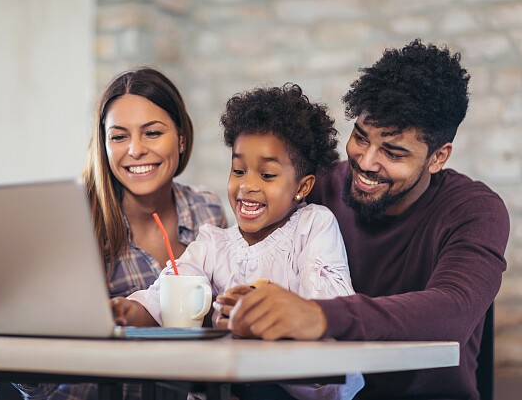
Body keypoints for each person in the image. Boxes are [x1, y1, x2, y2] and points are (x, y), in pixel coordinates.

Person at [215, 39, 510, 400]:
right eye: (360, 137)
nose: (367, 162)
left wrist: (320, 315)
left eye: (393, 152)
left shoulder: (473, 210)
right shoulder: (316, 187)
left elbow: (453, 310)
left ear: (438, 157)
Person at [112, 83, 364, 400]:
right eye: (239, 170)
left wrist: (260, 305)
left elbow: (331, 308)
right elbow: (169, 291)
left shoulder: (313, 225)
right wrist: (128, 312)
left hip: (302, 390)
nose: (247, 186)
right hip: (233, 386)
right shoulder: (213, 242)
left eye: (267, 175)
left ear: (302, 187)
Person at [14, 67, 227, 400]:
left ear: (182, 138)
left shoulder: (206, 210)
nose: (136, 150)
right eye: (119, 136)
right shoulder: (77, 221)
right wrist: (10, 339)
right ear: (104, 145)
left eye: (152, 133)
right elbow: (40, 386)